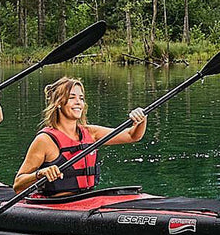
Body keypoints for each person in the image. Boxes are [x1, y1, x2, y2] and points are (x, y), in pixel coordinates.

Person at [13, 76, 146, 195]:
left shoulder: (91, 133)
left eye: (81, 98)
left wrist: (141, 118)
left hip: (87, 200)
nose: (78, 102)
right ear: (58, 103)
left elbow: (132, 135)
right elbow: (18, 185)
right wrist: (40, 174)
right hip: (57, 205)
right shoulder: (45, 140)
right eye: (72, 98)